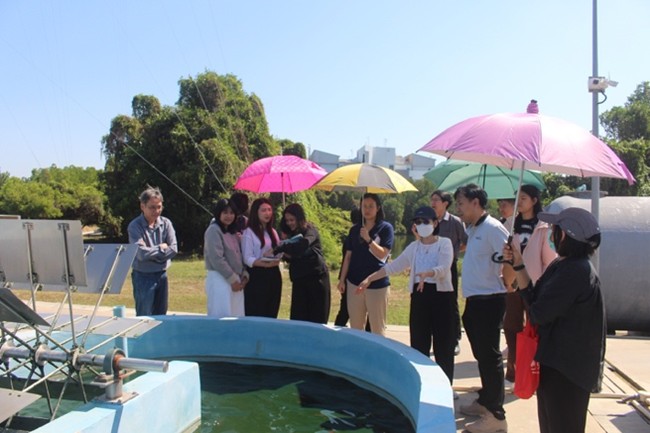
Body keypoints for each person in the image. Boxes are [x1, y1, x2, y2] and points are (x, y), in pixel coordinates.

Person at [502, 207, 605, 433]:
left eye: (554, 229)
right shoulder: (562, 265)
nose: (551, 234)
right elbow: (533, 296)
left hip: (568, 370)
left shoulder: (575, 271)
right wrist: (518, 263)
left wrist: (530, 300)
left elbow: (538, 312)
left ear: (564, 234)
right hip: (555, 364)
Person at [358, 206, 456, 384]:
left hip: (441, 297)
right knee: (419, 344)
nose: (422, 225)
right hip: (419, 296)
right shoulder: (414, 247)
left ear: (435, 223)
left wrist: (429, 273)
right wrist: (370, 279)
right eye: (418, 222)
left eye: (426, 221)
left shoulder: (444, 243)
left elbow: (444, 268)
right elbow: (393, 266)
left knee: (443, 345)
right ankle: (421, 384)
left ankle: (446, 385)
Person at [455, 184, 514, 433]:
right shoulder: (474, 228)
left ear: (475, 203)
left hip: (490, 301)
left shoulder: (493, 228)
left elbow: (511, 258)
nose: (459, 209)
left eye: (461, 203)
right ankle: (486, 400)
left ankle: (496, 416)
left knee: (490, 358)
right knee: (482, 355)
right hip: (475, 301)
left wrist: (509, 279)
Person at [504, 185, 556, 382]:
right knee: (511, 326)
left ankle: (536, 369)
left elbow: (549, 260)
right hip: (514, 284)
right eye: (517, 198)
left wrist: (544, 285)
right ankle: (514, 371)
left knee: (534, 328)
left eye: (523, 198)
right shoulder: (511, 225)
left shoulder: (544, 227)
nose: (519, 202)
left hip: (535, 286)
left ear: (534, 201)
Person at [337, 193, 394, 336]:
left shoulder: (386, 228)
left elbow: (383, 254)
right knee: (356, 328)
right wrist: (342, 280)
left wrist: (368, 239)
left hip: (377, 284)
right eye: (364, 206)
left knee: (377, 328)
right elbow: (348, 257)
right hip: (354, 283)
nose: (367, 209)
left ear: (378, 208)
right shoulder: (355, 229)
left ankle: (377, 351)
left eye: (371, 206)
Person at [273, 203, 331, 324]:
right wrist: (285, 248)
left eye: (292, 220)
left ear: (299, 219)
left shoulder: (310, 230)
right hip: (299, 280)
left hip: (316, 279)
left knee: (317, 318)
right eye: (287, 220)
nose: (289, 223)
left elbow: (303, 245)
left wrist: (282, 247)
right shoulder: (289, 234)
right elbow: (291, 257)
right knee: (299, 319)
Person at [128, 186, 178, 316]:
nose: (156, 211)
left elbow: (174, 249)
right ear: (142, 206)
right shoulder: (134, 226)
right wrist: (162, 248)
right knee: (144, 315)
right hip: (143, 277)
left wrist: (152, 252)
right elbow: (141, 254)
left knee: (161, 316)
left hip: (162, 275)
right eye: (152, 207)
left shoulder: (166, 223)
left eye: (159, 207)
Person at [431, 190, 467, 354]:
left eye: (436, 200)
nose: (433, 203)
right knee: (434, 302)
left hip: (448, 268)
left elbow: (466, 242)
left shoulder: (455, 222)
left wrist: (453, 252)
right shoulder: (429, 221)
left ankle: (454, 339)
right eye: (432, 200)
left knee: (450, 303)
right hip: (431, 268)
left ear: (445, 203)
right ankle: (437, 336)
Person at [204, 198, 248, 318]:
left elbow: (238, 255)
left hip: (236, 280)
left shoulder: (232, 232)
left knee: (236, 316)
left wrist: (243, 274)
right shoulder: (213, 230)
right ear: (219, 213)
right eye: (225, 212)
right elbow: (217, 259)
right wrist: (232, 279)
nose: (229, 216)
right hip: (220, 278)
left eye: (231, 213)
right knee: (221, 316)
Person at [241, 198, 282, 318]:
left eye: (269, 210)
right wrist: (264, 263)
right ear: (256, 212)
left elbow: (278, 252)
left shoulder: (273, 232)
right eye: (263, 210)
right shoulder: (249, 232)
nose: (267, 213)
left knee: (271, 310)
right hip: (257, 276)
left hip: (273, 274)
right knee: (257, 311)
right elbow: (247, 258)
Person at [334, 207, 362, 327]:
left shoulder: (351, 235)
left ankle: (339, 326)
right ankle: (338, 328)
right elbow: (348, 257)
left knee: (345, 308)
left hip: (346, 276)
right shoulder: (354, 235)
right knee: (346, 308)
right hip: (349, 276)